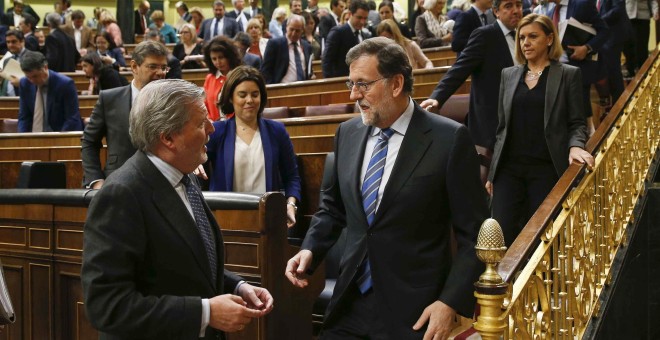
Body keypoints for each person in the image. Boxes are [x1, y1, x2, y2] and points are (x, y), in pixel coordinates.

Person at [286, 37, 488, 339]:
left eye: (363, 84)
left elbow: (474, 235)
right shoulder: (347, 133)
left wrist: (450, 303)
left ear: (396, 84)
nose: (355, 94)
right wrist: (310, 251)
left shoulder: (449, 139)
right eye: (350, 84)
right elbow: (332, 208)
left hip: (414, 310)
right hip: (349, 302)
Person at [82, 78, 274, 339]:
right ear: (168, 137)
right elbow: (107, 306)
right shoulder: (121, 195)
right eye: (200, 122)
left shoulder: (185, 174)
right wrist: (205, 312)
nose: (212, 128)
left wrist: (237, 286)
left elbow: (185, 260)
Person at [486, 14, 594, 246]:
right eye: (522, 37)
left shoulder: (568, 74)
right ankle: (508, 283)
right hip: (509, 169)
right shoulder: (509, 75)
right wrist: (493, 172)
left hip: (545, 168)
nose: (525, 42)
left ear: (549, 39)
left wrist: (576, 146)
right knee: (500, 235)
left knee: (541, 238)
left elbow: (577, 122)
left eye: (533, 36)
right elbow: (502, 128)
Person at [420, 0, 522, 164]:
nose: (516, 11)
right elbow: (459, 68)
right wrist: (437, 97)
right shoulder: (485, 35)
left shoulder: (523, 35)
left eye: (518, 5)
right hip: (495, 123)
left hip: (521, 120)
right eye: (509, 6)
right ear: (496, 11)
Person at [207, 66, 301, 227]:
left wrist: (291, 204)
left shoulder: (276, 131)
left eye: (255, 94)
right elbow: (198, 172)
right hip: (226, 220)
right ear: (231, 98)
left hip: (267, 219)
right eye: (242, 95)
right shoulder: (217, 132)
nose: (249, 100)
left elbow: (292, 176)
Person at [82, 41, 169, 189]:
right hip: (118, 183)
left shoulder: (173, 100)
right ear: (134, 66)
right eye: (153, 66)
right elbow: (89, 142)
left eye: (163, 67)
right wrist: (96, 180)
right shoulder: (110, 99)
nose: (160, 72)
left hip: (163, 184)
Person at [18, 51, 82, 132]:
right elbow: (24, 117)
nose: (32, 80)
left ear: (45, 67)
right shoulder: (24, 83)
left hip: (60, 134)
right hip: (33, 138)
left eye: (35, 76)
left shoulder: (65, 84)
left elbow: (72, 118)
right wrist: (23, 139)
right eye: (28, 77)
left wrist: (58, 140)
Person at [322, 0, 372, 78]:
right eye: (359, 17)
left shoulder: (365, 35)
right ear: (350, 14)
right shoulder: (338, 32)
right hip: (341, 81)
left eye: (365, 18)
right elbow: (327, 60)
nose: (362, 22)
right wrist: (329, 83)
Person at [261, 14, 312, 84]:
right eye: (291, 29)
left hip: (303, 88)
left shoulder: (307, 46)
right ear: (287, 27)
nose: (294, 33)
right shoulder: (275, 44)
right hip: (281, 88)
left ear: (302, 30)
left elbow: (308, 69)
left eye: (297, 31)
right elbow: (265, 70)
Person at [203, 36, 242, 121]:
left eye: (221, 57)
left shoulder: (240, 75)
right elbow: (205, 105)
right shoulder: (209, 78)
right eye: (214, 59)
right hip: (215, 127)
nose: (218, 62)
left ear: (229, 56)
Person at [0, 30, 28, 94]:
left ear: (22, 41)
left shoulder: (33, 57)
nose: (10, 45)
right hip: (7, 100)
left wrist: (21, 83)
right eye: (8, 42)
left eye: (14, 42)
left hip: (24, 99)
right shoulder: (7, 60)